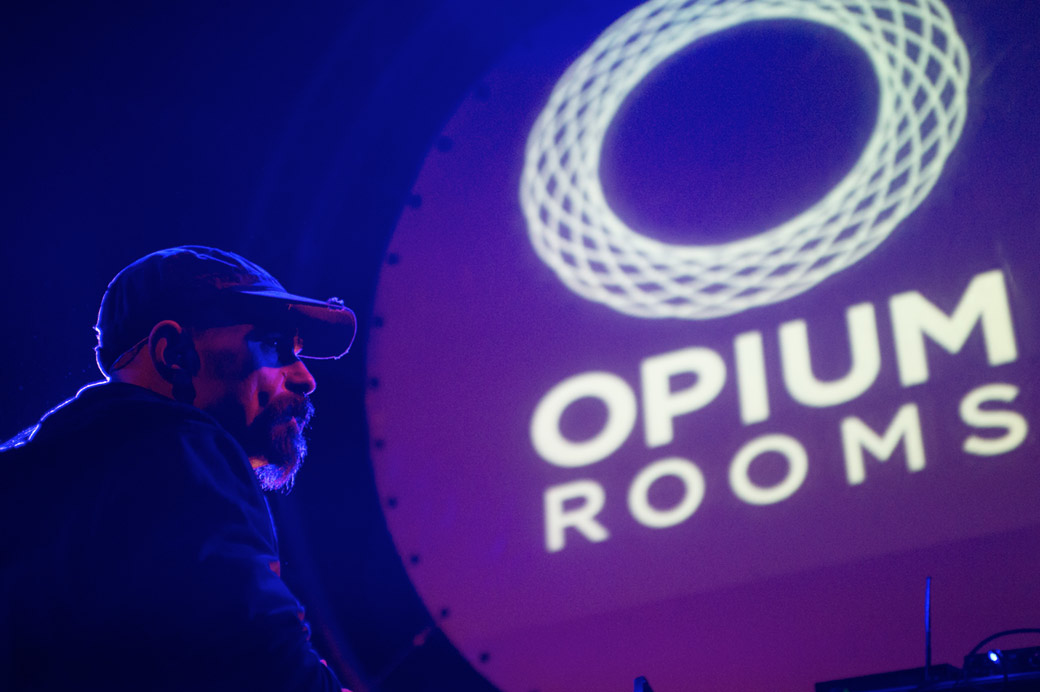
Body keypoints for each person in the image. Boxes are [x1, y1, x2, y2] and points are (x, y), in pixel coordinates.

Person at [0, 246, 357, 691]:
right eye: (273, 344)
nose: (306, 378)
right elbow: (267, 666)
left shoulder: (32, 469)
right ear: (173, 354)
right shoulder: (180, 444)